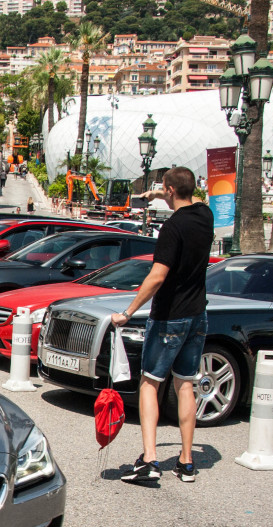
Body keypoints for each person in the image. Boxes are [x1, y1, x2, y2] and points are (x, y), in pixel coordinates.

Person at [112, 165, 214, 484]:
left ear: (170, 191)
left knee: (150, 383)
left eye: (164, 190)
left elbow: (157, 276)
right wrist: (163, 192)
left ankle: (150, 460)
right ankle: (186, 462)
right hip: (198, 314)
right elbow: (195, 197)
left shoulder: (173, 227)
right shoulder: (205, 216)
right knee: (186, 384)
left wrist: (128, 311)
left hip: (170, 315)